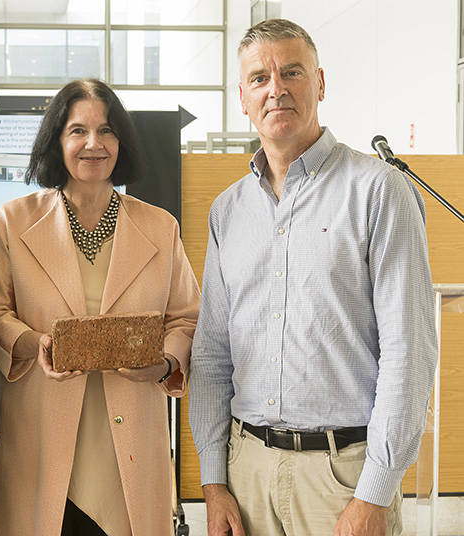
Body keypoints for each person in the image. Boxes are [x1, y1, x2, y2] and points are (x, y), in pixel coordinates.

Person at [188, 18, 438, 536]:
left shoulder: (380, 192)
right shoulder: (227, 211)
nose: (275, 89)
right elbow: (212, 354)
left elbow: (408, 354)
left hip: (343, 477)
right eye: (259, 78)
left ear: (320, 84)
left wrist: (375, 491)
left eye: (292, 72)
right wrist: (213, 481)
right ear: (242, 97)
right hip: (245, 471)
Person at [0, 79, 200, 536]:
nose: (93, 144)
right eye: (77, 130)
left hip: (130, 441)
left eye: (106, 130)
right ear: (56, 141)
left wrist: (163, 363)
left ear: (122, 142)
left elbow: (186, 316)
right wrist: (35, 342)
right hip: (40, 435)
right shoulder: (14, 221)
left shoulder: (160, 227)